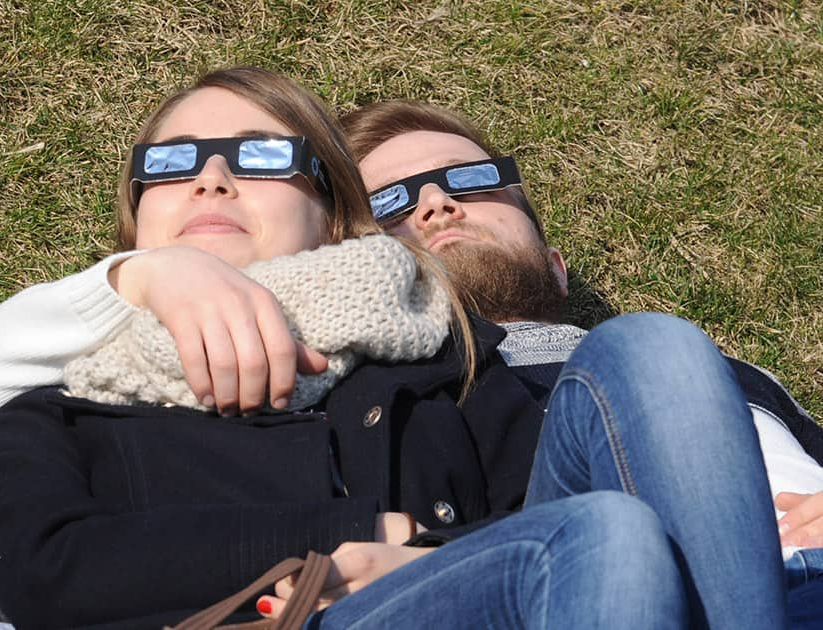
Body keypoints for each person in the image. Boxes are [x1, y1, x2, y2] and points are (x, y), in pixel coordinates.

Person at [0, 81, 801, 627]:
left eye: (259, 156)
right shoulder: (64, 405)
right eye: (172, 164)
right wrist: (353, 540)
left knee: (642, 370)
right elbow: (49, 570)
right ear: (135, 215)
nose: (211, 177)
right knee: (598, 535)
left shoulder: (446, 373)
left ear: (332, 216)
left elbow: (562, 515)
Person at [335, 98, 823, 628]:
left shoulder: (727, 373)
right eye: (388, 203)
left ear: (556, 267)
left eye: (472, 180)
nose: (436, 202)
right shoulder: (385, 401)